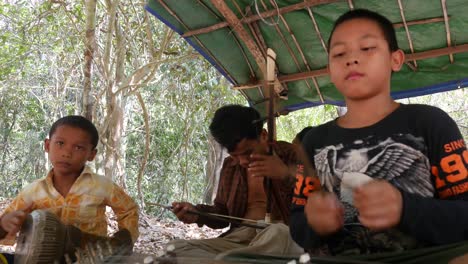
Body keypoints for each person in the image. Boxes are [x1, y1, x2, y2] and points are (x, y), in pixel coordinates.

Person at [290, 9, 468, 263]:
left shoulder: (430, 123)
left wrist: (406, 209)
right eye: (340, 53)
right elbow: (297, 225)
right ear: (329, 69)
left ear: (395, 59)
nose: (351, 59)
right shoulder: (315, 141)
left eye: (367, 48)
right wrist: (314, 223)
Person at [167, 104, 303, 260]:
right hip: (240, 239)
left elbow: (315, 203)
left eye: (248, 152)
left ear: (264, 136)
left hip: (279, 239)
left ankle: (227, 260)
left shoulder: (293, 155)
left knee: (279, 232)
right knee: (174, 248)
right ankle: (231, 260)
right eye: (235, 156)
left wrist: (285, 174)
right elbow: (222, 214)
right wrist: (197, 214)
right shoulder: (230, 166)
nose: (242, 161)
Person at [0, 115, 139, 261]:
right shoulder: (33, 191)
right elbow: (6, 224)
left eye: (78, 147)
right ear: (47, 145)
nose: (67, 153)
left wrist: (123, 240)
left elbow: (128, 210)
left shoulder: (102, 186)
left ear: (91, 154)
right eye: (60, 143)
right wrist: (4, 224)